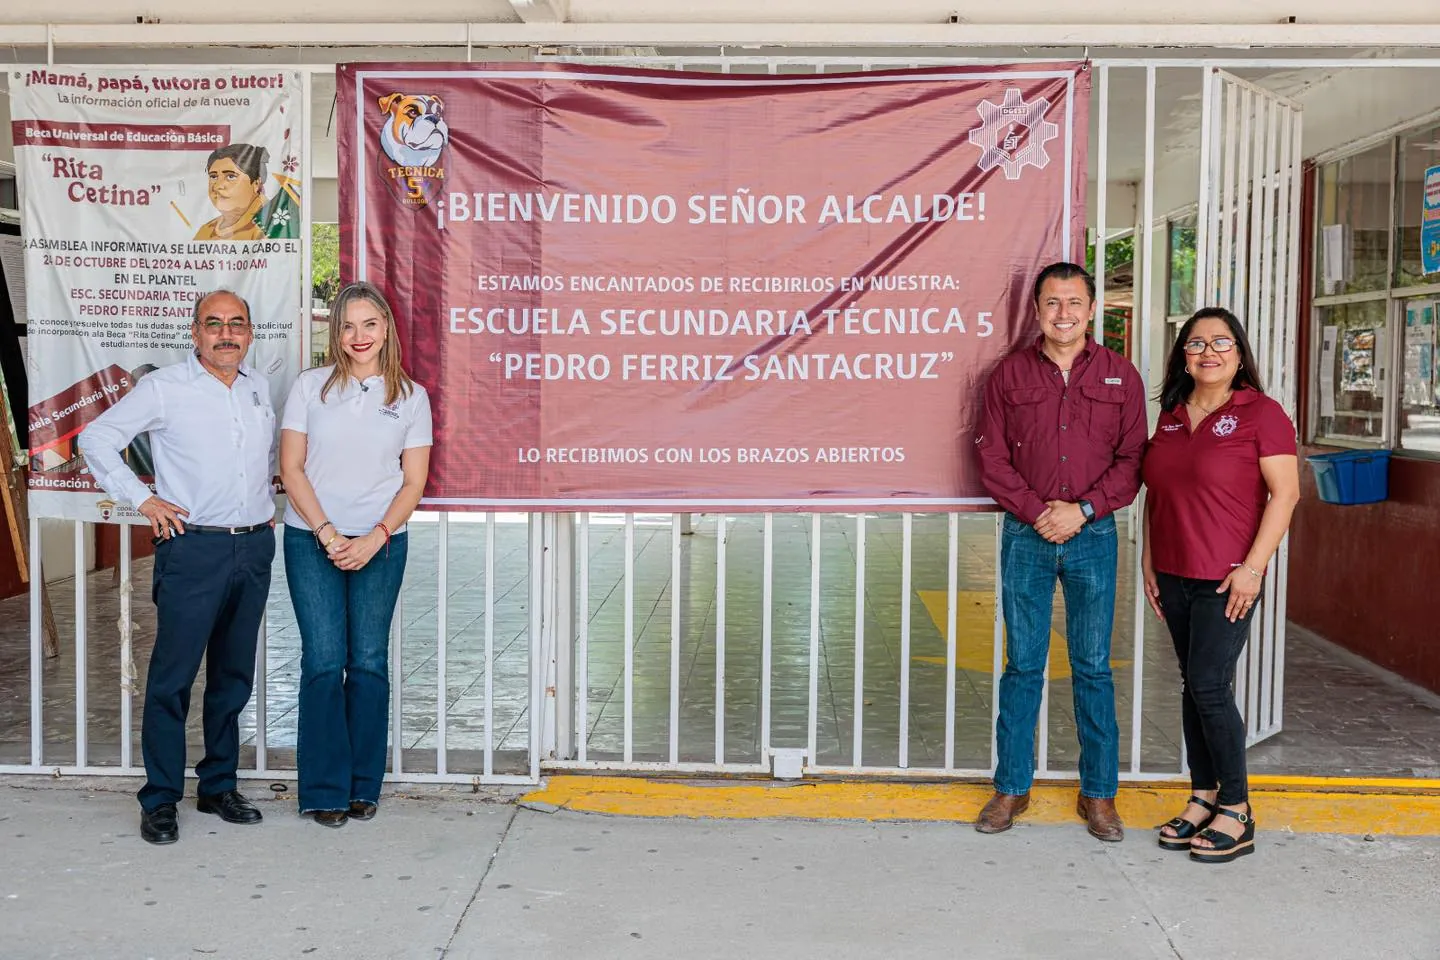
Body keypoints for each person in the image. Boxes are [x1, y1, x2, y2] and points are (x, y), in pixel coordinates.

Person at [78, 290, 278, 845]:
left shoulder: (258, 388)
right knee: (172, 680)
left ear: (250, 332)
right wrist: (142, 500)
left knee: (233, 677)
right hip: (193, 550)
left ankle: (218, 786)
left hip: (253, 547)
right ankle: (161, 797)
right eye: (213, 324)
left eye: (237, 323)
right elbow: (96, 437)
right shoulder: (164, 388)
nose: (226, 333)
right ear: (195, 333)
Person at [974, 261, 1147, 841]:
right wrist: (1038, 512)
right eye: (1052, 303)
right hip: (1027, 535)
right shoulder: (1009, 376)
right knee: (1023, 663)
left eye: (1074, 302)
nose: (1063, 313)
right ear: (1037, 309)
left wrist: (1084, 511)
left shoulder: (1122, 377)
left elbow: (1132, 465)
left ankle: (1099, 796)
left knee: (1093, 666)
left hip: (1093, 537)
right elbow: (992, 459)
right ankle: (1011, 787)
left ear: (1092, 308)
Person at [1142, 306, 1299, 864]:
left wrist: (1252, 569)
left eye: (1221, 342)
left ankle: (1237, 808)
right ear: (1182, 354)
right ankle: (1202, 796)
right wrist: (1150, 559)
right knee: (1193, 685)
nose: (1208, 352)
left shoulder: (1262, 414)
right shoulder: (1168, 415)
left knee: (1209, 686)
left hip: (1226, 576)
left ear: (1239, 353)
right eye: (1196, 343)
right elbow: (1157, 494)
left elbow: (1286, 495)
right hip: (1176, 572)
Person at [279, 281, 432, 827]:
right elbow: (291, 467)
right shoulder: (309, 387)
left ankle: (363, 784)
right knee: (323, 661)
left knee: (368, 662)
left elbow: (413, 483)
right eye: (347, 326)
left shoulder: (411, 398)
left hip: (381, 543)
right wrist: (325, 534)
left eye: (369, 324)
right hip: (310, 539)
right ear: (334, 333)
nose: (358, 336)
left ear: (386, 328)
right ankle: (323, 790)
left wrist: (374, 538)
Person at [194, 143, 268, 242]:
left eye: (231, 176)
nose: (217, 186)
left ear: (256, 184)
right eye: (213, 177)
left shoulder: (272, 227)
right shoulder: (206, 231)